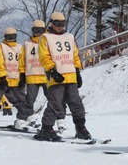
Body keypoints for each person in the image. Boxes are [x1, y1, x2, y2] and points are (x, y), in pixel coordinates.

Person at [34, 12, 90, 141]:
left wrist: (77, 71)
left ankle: (80, 127)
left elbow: (75, 55)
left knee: (76, 103)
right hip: (56, 75)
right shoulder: (46, 37)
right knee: (56, 103)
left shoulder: (69, 37)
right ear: (51, 23)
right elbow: (44, 56)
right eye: (57, 24)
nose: (60, 27)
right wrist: (52, 70)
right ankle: (46, 128)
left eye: (62, 24)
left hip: (70, 75)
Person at [18, 20, 50, 128]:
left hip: (46, 75)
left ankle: (51, 121)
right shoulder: (27, 44)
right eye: (36, 30)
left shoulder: (48, 42)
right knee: (30, 99)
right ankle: (21, 119)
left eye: (40, 30)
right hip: (32, 74)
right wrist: (22, 74)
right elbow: (22, 60)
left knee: (53, 98)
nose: (38, 33)